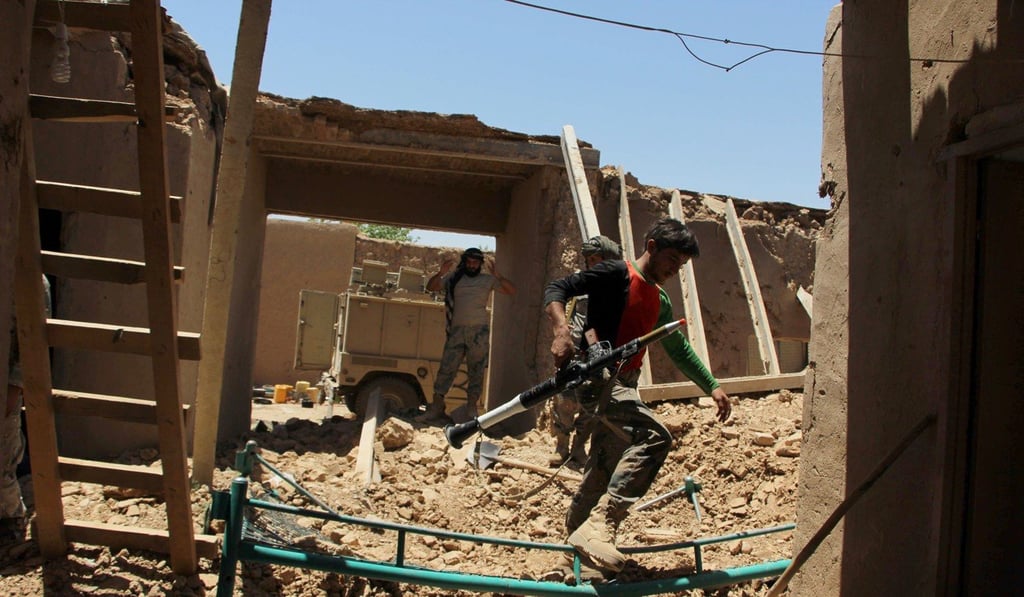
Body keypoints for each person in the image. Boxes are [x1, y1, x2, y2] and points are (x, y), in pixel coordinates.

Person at [543, 218, 731, 575]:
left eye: (681, 265)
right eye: (672, 259)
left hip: (626, 384)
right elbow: (559, 287)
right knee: (654, 437)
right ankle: (601, 525)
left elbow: (677, 349)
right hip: (598, 379)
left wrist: (712, 386)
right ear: (652, 247)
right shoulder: (617, 274)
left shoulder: (659, 300)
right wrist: (562, 330)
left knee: (602, 469)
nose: (675, 269)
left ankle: (573, 557)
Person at [548, 235, 622, 468]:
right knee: (564, 402)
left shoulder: (616, 287)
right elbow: (558, 297)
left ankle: (578, 449)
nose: (592, 264)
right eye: (589, 260)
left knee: (590, 409)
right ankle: (561, 447)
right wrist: (563, 331)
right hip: (574, 355)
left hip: (598, 357)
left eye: (596, 259)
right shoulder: (581, 283)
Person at [419, 247, 515, 424]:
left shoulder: (488, 280)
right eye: (469, 262)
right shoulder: (454, 278)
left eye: (475, 263)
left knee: (476, 370)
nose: (472, 265)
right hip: (456, 332)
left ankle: (472, 409)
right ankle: (436, 408)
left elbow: (511, 290)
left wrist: (497, 274)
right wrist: (441, 273)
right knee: (446, 369)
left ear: (480, 264)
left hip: (478, 333)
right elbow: (431, 287)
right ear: (464, 262)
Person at [2, 275, 50, 542]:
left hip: (5, 392)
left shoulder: (29, 282)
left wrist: (12, 392)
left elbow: (27, 349)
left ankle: (9, 521)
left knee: (4, 461)